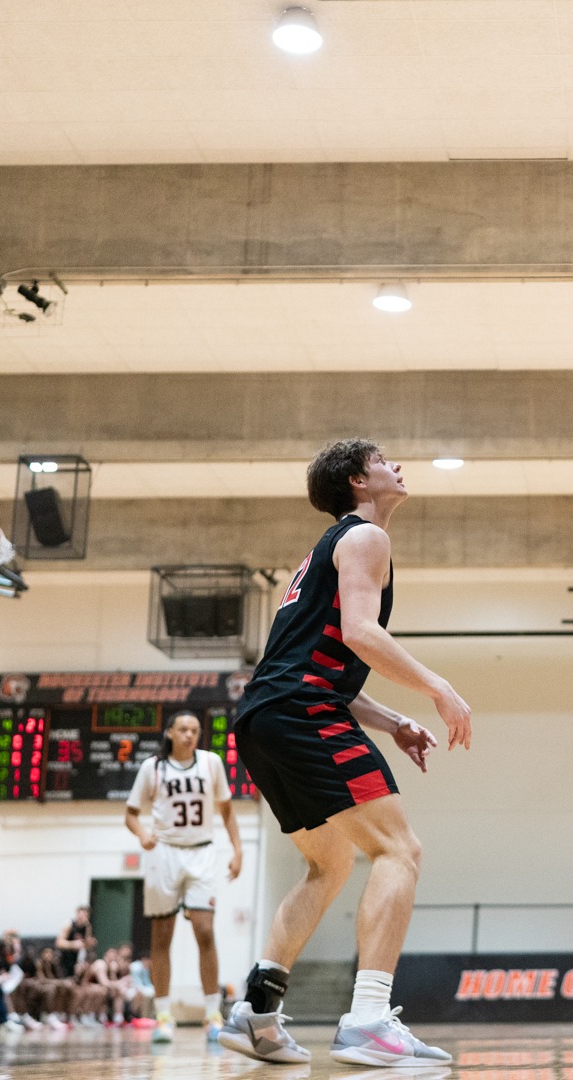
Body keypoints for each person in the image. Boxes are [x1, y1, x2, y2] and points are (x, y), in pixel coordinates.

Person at [219, 438, 471, 1067]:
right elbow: (362, 633)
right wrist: (439, 687)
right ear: (360, 480)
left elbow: (314, 666)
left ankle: (256, 1010)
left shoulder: (328, 552)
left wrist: (392, 721)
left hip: (267, 716)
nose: (398, 467)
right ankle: (367, 1020)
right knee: (399, 848)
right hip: (301, 713)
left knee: (329, 862)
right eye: (385, 460)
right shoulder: (364, 538)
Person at [126, 707, 242, 1043]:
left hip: (202, 851)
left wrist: (238, 850)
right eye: (183, 729)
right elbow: (131, 814)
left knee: (205, 931)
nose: (190, 734)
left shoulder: (211, 763)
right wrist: (142, 834)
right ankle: (163, 1016)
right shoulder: (153, 767)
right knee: (161, 936)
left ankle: (213, 1015)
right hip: (164, 852)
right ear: (170, 733)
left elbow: (227, 811)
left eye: (194, 729)